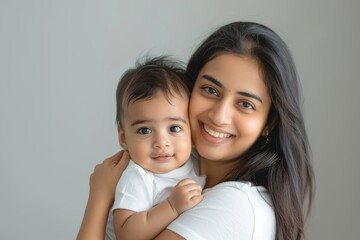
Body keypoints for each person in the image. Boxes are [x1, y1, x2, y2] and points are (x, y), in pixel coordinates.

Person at [77, 21, 314, 240]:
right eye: (210, 90)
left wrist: (99, 197)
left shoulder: (236, 204)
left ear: (268, 123)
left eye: (245, 104)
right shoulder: (175, 168)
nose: (219, 116)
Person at [104, 57, 205, 240]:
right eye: (145, 130)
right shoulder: (138, 176)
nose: (161, 142)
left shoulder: (196, 158)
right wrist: (172, 206)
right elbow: (126, 234)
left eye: (174, 128)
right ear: (124, 138)